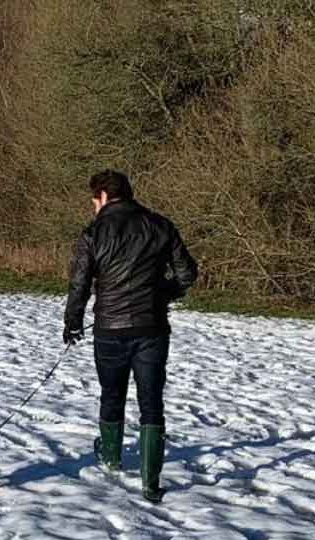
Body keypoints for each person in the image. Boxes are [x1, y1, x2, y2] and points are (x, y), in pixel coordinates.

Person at [63, 169, 198, 503]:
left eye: (95, 200)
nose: (94, 206)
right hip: (151, 327)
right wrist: (162, 294)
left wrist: (73, 322)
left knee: (112, 393)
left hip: (109, 328)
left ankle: (111, 459)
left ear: (104, 197)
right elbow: (187, 273)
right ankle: (150, 483)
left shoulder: (93, 232)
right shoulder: (160, 225)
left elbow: (79, 283)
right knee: (151, 401)